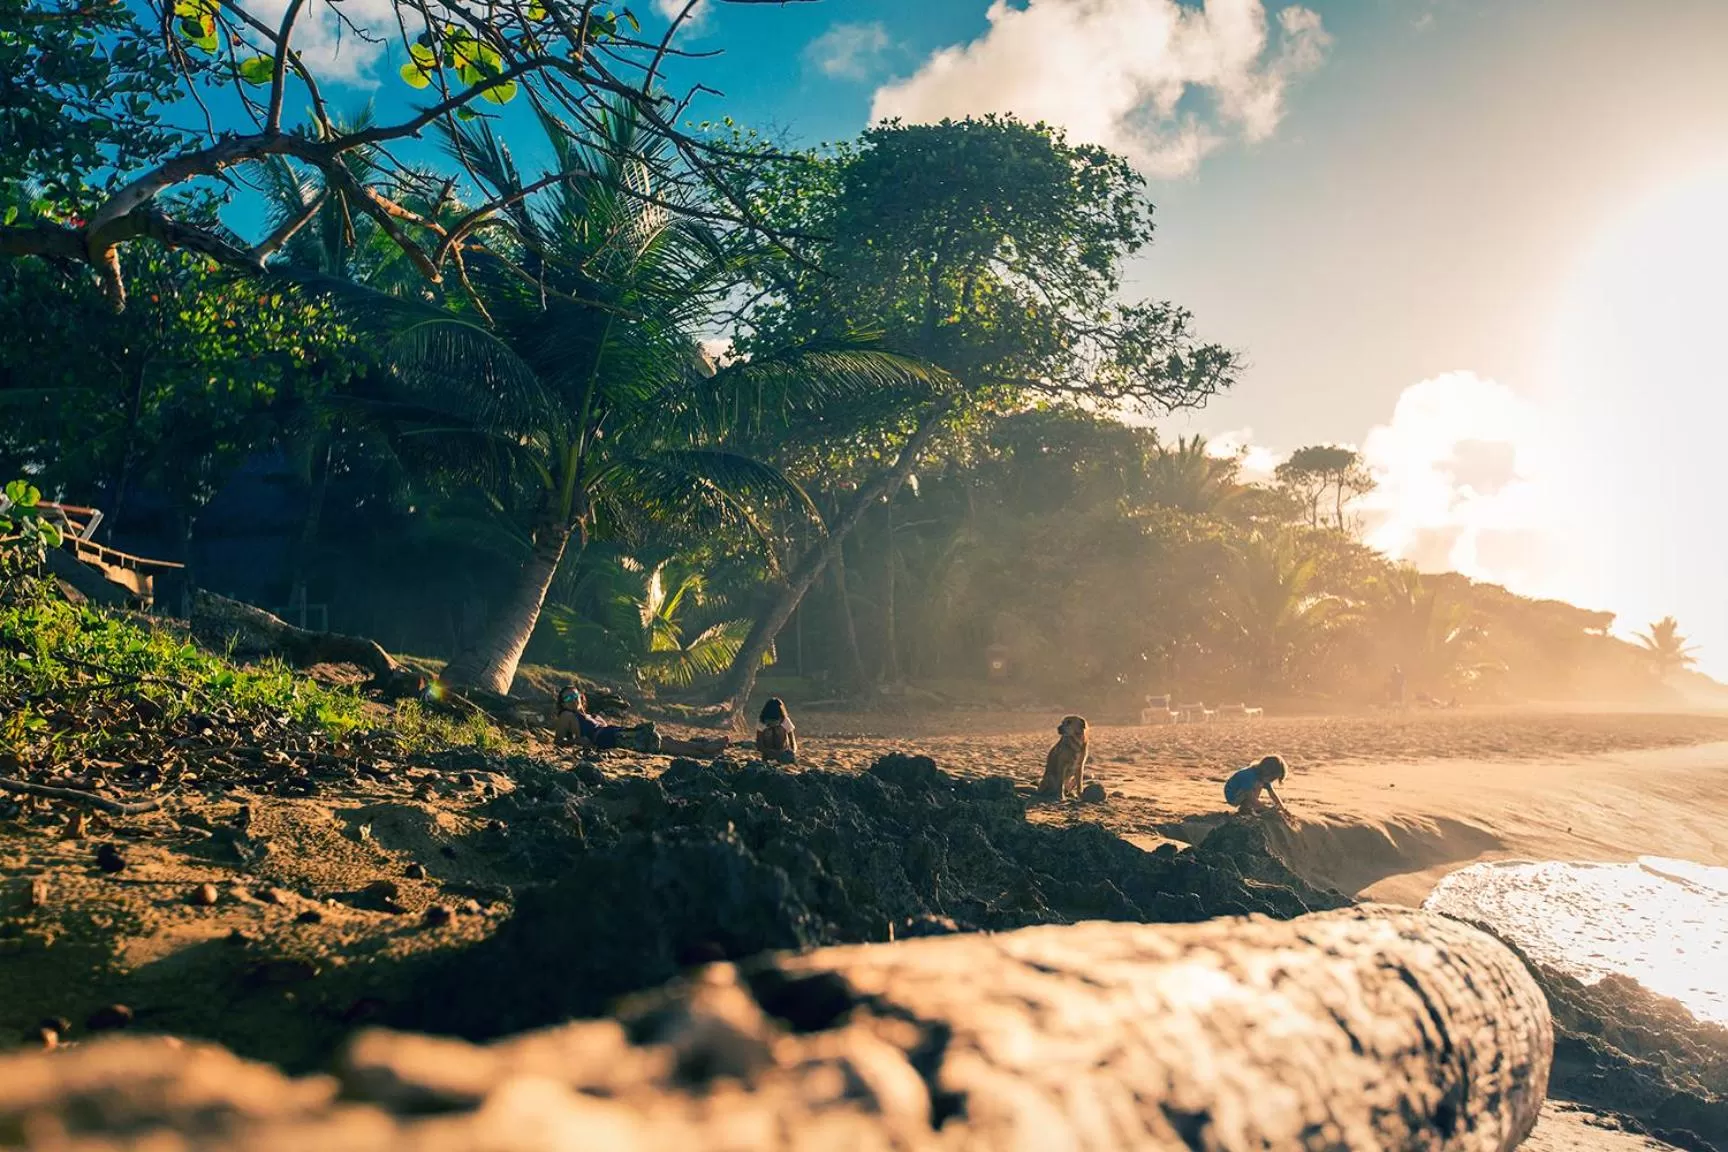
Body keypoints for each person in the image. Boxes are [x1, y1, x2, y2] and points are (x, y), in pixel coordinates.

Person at [553, 685, 729, 757]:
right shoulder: (567, 716)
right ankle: (704, 753)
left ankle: (704, 748)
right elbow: (558, 741)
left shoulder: (590, 715)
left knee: (663, 738)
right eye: (567, 698)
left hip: (615, 734)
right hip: (609, 739)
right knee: (658, 743)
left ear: (581, 697)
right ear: (562, 703)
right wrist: (577, 741)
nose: (572, 699)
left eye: (574, 695)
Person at [1224, 755, 1291, 817]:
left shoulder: (1262, 776)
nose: (1271, 781)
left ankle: (1249, 808)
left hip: (1243, 793)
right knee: (1257, 785)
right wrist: (1266, 809)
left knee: (1259, 786)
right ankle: (1245, 809)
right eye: (1272, 778)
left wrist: (1284, 809)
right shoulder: (1249, 776)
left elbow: (1272, 794)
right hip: (1233, 796)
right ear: (1267, 771)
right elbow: (1250, 797)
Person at [755, 697, 797, 764]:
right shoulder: (761, 722)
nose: (772, 724)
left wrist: (792, 752)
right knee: (769, 731)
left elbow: (793, 742)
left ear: (780, 718)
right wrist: (771, 753)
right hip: (768, 753)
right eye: (769, 722)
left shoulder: (785, 721)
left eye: (774, 721)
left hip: (783, 751)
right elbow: (759, 744)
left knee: (778, 729)